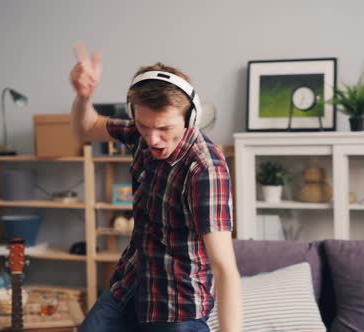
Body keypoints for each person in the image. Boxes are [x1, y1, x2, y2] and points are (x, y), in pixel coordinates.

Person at [69, 42, 242, 332]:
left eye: (164, 129)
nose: (153, 140)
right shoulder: (143, 133)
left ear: (190, 119)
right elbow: (85, 127)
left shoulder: (205, 169)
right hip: (132, 283)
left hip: (178, 303)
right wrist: (83, 98)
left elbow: (225, 268)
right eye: (144, 126)